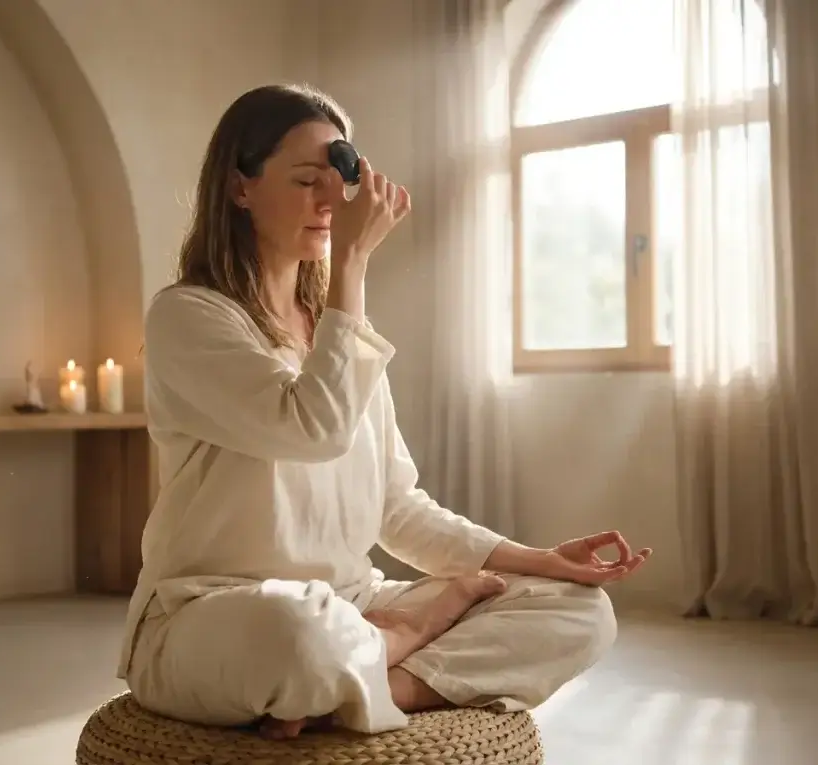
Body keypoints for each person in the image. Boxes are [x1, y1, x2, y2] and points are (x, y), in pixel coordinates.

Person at [118, 83, 651, 739]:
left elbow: (397, 508)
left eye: (340, 182)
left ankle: (363, 680)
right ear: (239, 188)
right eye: (308, 180)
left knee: (580, 611)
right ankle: (390, 641)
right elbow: (313, 427)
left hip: (350, 605)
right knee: (297, 636)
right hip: (217, 612)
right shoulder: (190, 317)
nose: (332, 203)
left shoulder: (340, 330)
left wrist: (538, 559)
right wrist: (355, 260)